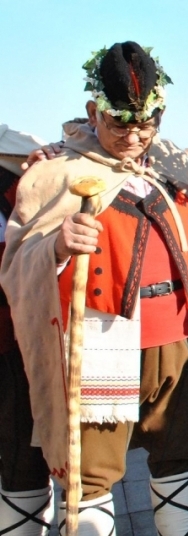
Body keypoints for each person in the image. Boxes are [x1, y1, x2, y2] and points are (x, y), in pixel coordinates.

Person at [0, 42, 188, 536]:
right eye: (121, 125)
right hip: (100, 346)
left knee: (179, 458)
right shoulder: (56, 175)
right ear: (95, 112)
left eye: (146, 124)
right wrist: (56, 247)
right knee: (92, 475)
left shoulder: (161, 174)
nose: (135, 137)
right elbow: (17, 261)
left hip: (175, 340)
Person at [0, 125, 52, 536]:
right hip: (10, 346)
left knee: (24, 460)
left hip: (14, 343)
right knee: (21, 461)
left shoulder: (16, 199)